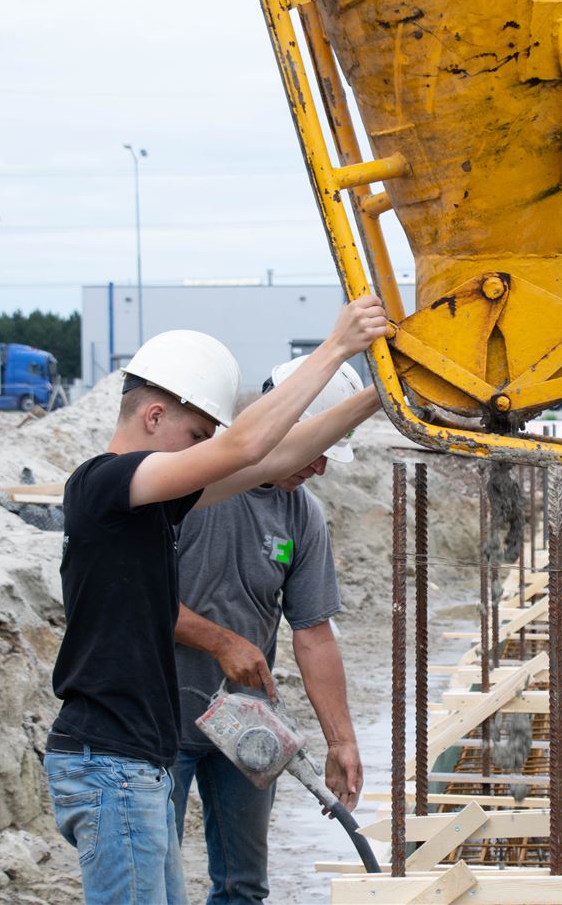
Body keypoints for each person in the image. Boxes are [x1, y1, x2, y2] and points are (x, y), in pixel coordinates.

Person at [44, 296, 387, 905]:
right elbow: (243, 450)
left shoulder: (149, 505)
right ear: (153, 416)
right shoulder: (103, 483)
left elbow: (273, 458)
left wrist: (381, 395)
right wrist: (335, 348)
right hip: (110, 762)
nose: (204, 449)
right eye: (197, 435)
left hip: (132, 762)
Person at [171, 355, 365, 905]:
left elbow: (314, 633)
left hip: (245, 725)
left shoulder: (301, 515)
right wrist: (222, 641)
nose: (322, 468)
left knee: (243, 886)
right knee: (152, 885)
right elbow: (135, 600)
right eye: (319, 450)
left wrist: (342, 739)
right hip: (156, 721)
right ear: (286, 425)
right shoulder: (188, 484)